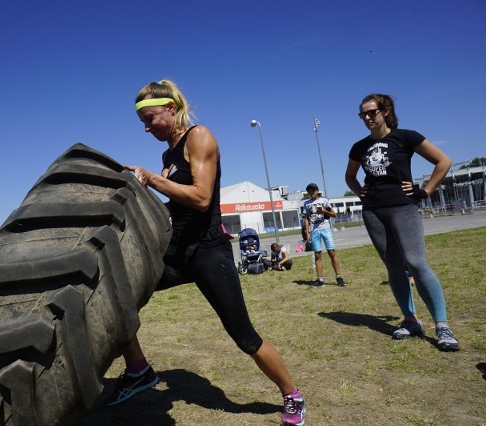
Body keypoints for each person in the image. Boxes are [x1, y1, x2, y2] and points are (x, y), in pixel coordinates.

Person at [111, 80, 305, 425]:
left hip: (208, 250)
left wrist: (152, 179)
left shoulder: (200, 137)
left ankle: (292, 395)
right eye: (142, 121)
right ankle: (139, 369)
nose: (146, 127)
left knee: (245, 337)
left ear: (170, 108)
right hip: (177, 250)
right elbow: (176, 206)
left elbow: (201, 199)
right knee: (115, 295)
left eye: (151, 118)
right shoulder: (168, 153)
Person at [345, 93, 459, 351]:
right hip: (373, 211)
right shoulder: (359, 147)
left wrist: (426, 191)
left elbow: (444, 161)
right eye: (362, 114)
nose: (366, 118)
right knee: (394, 267)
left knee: (416, 262)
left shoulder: (406, 137)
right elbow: (350, 176)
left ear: (385, 111)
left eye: (371, 112)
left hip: (403, 207)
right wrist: (359, 192)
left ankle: (442, 326)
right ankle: (411, 320)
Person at [303, 183, 346, 287]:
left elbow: (334, 214)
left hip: (325, 229)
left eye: (313, 190)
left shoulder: (324, 201)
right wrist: (307, 231)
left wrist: (324, 211)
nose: (311, 193)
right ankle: (320, 279)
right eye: (309, 191)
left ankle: (339, 277)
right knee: (317, 255)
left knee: (331, 252)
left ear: (317, 191)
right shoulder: (306, 203)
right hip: (314, 231)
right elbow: (306, 218)